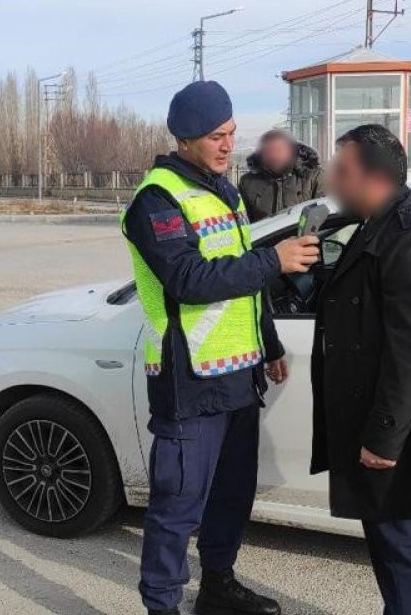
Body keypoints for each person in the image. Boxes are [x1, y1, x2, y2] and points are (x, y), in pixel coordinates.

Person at [121, 80, 319, 615]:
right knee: (177, 505)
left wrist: (270, 343)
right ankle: (162, 605)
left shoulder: (223, 192)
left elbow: (243, 285)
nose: (228, 145)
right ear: (185, 139)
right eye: (216, 136)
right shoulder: (157, 199)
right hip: (189, 382)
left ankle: (217, 587)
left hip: (237, 377)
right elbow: (188, 278)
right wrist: (275, 260)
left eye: (231, 133)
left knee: (231, 496)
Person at [309, 124, 411, 615]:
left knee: (400, 548)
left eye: (342, 169)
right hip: (382, 421)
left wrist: (383, 435)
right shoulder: (381, 226)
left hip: (397, 433)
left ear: (372, 177)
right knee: (389, 544)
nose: (333, 179)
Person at [237, 129, 323, 222]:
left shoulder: (314, 177)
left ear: (291, 151)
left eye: (279, 149)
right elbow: (244, 222)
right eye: (268, 151)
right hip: (265, 235)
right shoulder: (248, 183)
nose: (274, 156)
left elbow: (326, 215)